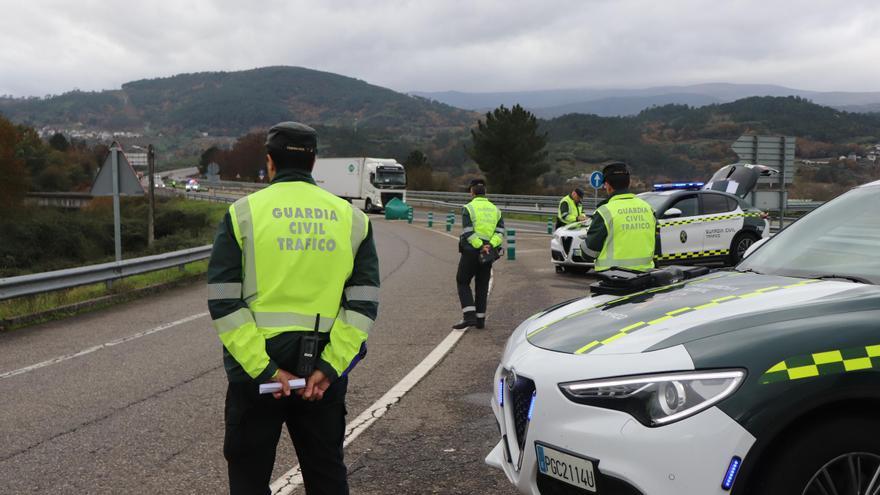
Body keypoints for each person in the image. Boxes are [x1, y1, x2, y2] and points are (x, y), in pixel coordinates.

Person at [207, 121, 380, 495]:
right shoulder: (353, 219)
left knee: (249, 480)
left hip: (257, 375)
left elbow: (223, 299)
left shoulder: (243, 214)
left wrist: (266, 370)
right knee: (326, 476)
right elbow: (363, 305)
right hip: (321, 372)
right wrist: (330, 368)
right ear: (313, 163)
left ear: (270, 162)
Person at [578, 161, 656, 272]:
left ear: (608, 185)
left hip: (613, 280)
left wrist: (583, 243)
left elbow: (589, 253)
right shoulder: (648, 209)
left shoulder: (605, 212)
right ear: (628, 183)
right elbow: (655, 244)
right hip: (645, 277)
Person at [453, 178, 504, 330]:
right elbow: (500, 232)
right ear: (485, 192)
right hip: (488, 253)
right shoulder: (496, 210)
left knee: (462, 281)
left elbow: (468, 232)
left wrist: (480, 246)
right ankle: (480, 320)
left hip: (471, 251)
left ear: (472, 192)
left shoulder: (469, 208)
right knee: (482, 285)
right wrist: (489, 246)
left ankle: (469, 317)